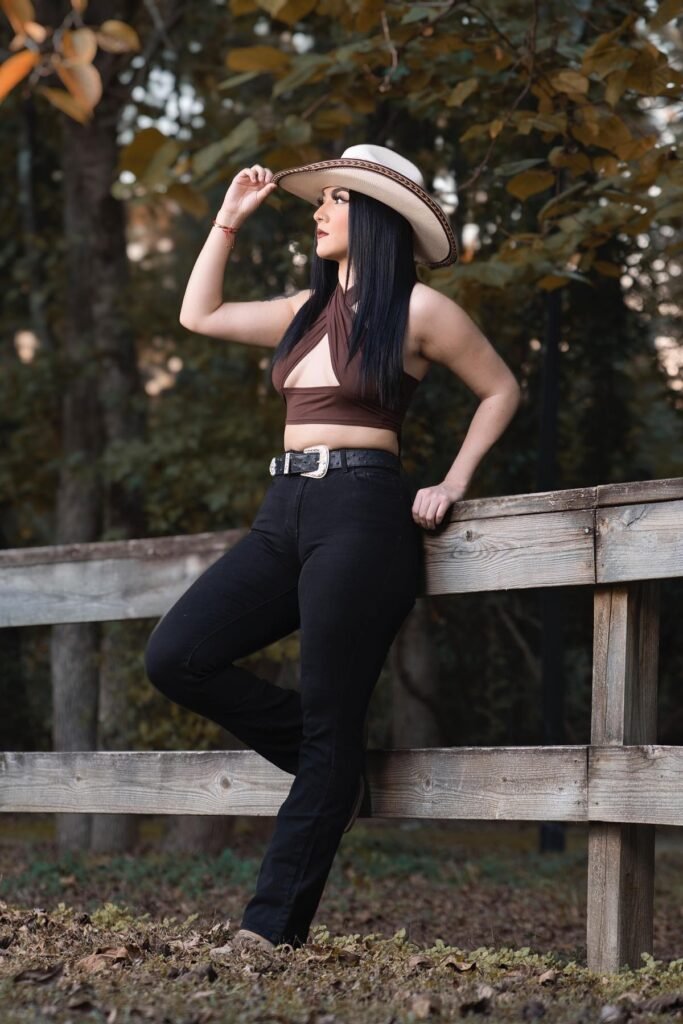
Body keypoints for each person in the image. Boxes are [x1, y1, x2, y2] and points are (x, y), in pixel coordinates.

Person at [144, 143, 521, 953]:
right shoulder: (301, 309)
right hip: (284, 510)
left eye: (335, 199)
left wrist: (451, 481)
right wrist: (227, 221)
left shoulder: (422, 311)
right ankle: (334, 767)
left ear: (375, 217)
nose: (318, 209)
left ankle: (266, 932)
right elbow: (197, 316)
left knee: (327, 723)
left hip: (362, 510)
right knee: (177, 655)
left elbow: (500, 388)